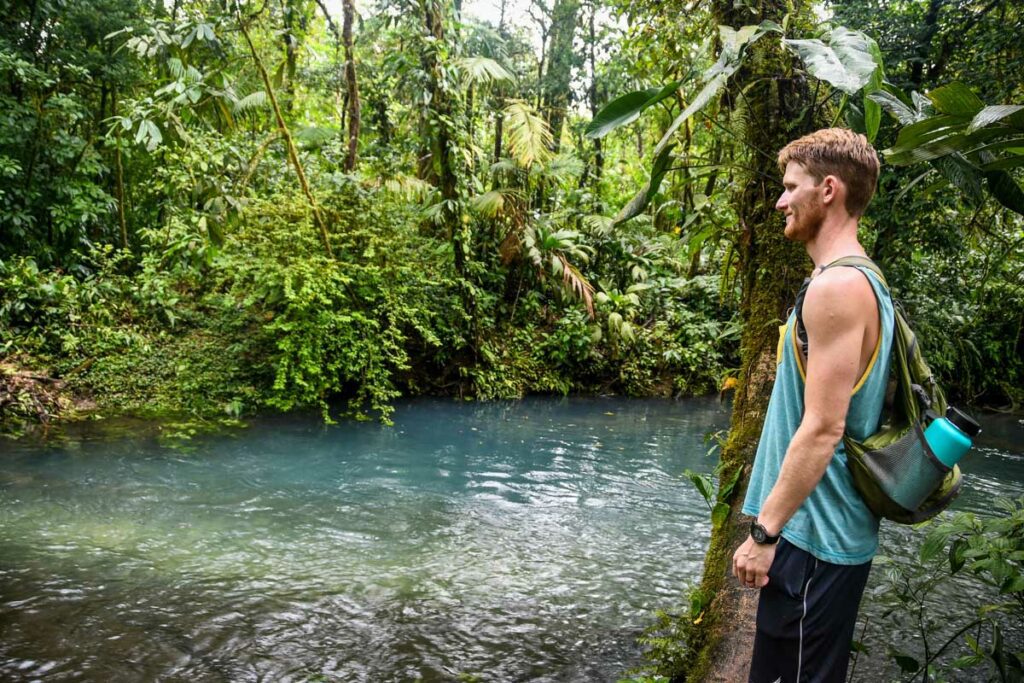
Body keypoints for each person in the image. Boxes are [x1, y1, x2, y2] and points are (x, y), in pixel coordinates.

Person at [732, 128, 893, 683]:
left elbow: (824, 428)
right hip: (817, 539)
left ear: (828, 189)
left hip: (812, 541)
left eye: (789, 186)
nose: (780, 200)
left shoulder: (838, 289)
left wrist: (764, 534)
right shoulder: (855, 280)